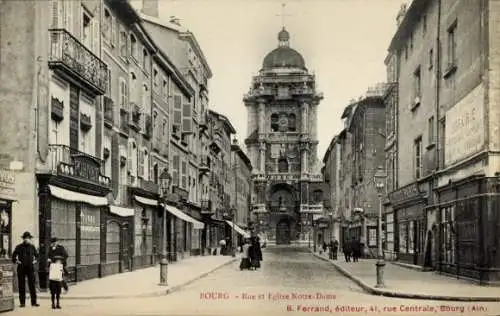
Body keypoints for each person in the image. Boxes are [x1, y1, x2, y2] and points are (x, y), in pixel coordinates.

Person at [12, 231, 39, 308]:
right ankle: (22, 303)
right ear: (23, 239)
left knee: (32, 286)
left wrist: (35, 261)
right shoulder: (18, 247)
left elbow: (37, 256)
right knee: (21, 286)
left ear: (30, 239)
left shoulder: (32, 247)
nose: (26, 239)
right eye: (25, 238)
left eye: (28, 238)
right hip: (21, 268)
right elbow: (13, 257)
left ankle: (34, 302)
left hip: (30, 268)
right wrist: (17, 261)